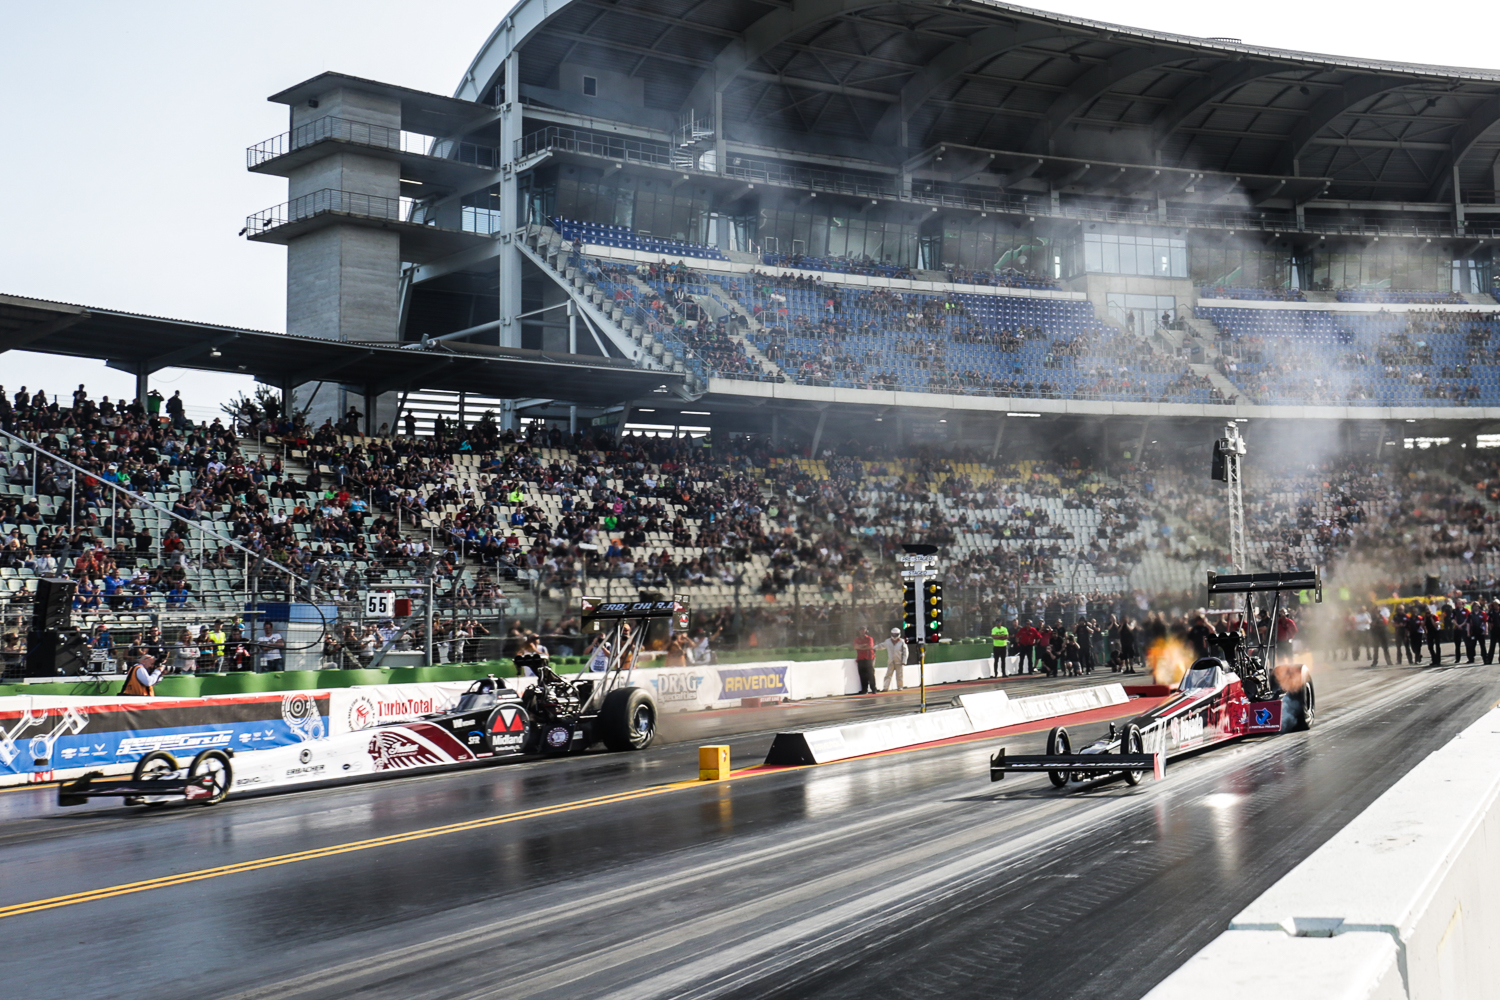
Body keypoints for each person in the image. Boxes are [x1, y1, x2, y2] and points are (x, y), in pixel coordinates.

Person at [881, 627, 908, 692]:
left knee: (899, 675)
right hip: (891, 661)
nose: (894, 636)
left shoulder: (902, 641)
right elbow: (881, 645)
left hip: (899, 661)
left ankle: (900, 687)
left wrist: (904, 661)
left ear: (898, 634)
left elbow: (905, 652)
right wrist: (873, 647)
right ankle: (885, 688)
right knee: (888, 675)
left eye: (896, 634)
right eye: (893, 634)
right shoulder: (888, 641)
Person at [853, 626, 877, 694]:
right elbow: (855, 646)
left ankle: (873, 688)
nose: (862, 632)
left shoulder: (869, 638)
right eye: (861, 630)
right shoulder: (857, 639)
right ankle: (864, 689)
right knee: (862, 675)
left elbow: (870, 646)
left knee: (870, 674)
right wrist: (864, 646)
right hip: (860, 658)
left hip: (869, 658)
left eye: (863, 630)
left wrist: (860, 647)